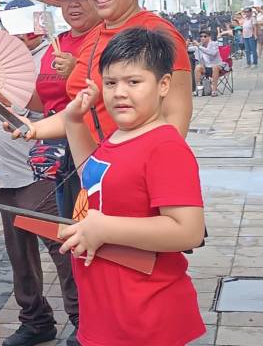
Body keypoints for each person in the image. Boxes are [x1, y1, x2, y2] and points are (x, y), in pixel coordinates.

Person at [59, 27, 206, 346]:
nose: (119, 93)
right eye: (110, 83)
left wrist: (105, 227)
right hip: (106, 312)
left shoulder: (164, 146)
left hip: (145, 319)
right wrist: (73, 123)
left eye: (133, 82)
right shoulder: (120, 135)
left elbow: (188, 230)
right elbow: (94, 178)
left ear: (163, 84)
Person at [19, 0, 193, 144]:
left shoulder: (158, 33)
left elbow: (176, 117)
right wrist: (33, 128)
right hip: (93, 167)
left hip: (134, 166)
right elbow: (80, 113)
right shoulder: (94, 36)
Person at [0, 0, 79, 346]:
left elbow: (53, 112)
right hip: (3, 170)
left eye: (21, 27)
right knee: (19, 253)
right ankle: (35, 320)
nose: (14, 35)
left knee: (61, 247)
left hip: (40, 171)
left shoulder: (54, 60)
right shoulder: (0, 67)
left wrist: (7, 95)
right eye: (8, 28)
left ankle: (84, 320)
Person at [13, 0, 102, 220]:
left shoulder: (106, 40)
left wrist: (77, 71)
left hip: (92, 151)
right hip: (55, 155)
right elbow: (43, 102)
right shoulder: (56, 44)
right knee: (64, 231)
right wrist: (5, 88)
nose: (74, 4)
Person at [192, 30, 223, 97]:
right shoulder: (199, 46)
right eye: (201, 36)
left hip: (218, 67)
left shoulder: (214, 44)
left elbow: (213, 53)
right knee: (198, 67)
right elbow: (190, 49)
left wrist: (199, 47)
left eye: (205, 36)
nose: (202, 38)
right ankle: (199, 89)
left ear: (209, 37)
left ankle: (214, 90)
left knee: (215, 66)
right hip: (206, 67)